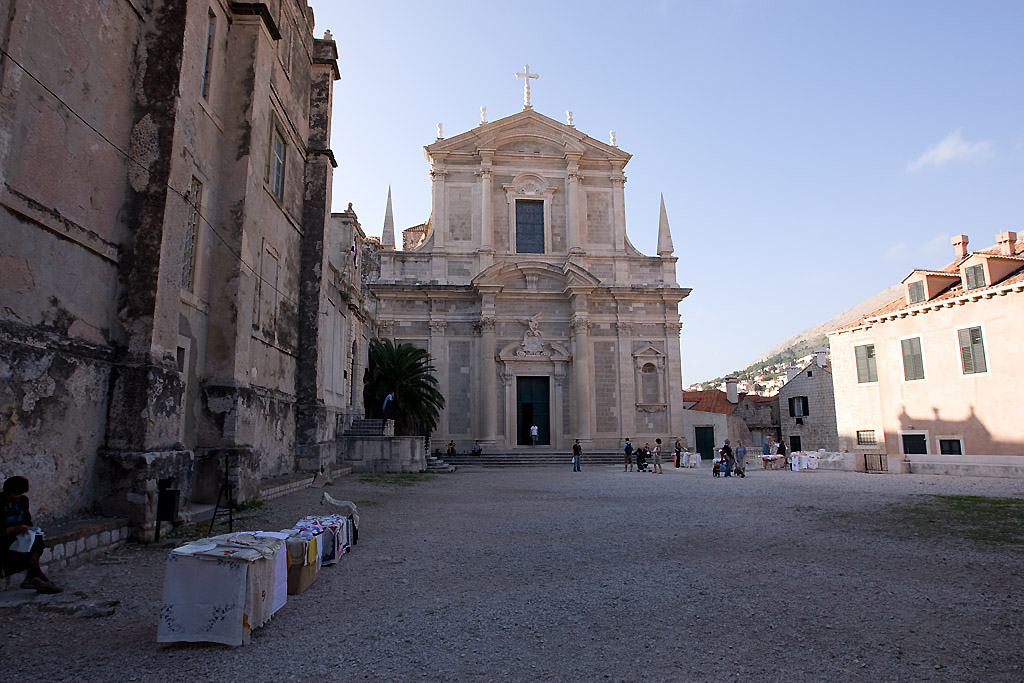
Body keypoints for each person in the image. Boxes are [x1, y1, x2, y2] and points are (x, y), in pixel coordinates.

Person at [2, 476, 61, 593]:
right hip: (5, 535)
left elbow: (27, 520)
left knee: (36, 540)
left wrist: (28, 529)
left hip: (19, 534)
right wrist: (13, 529)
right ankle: (38, 577)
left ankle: (32, 576)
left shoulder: (22, 501)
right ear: (7, 492)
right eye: (15, 495)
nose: (17, 498)